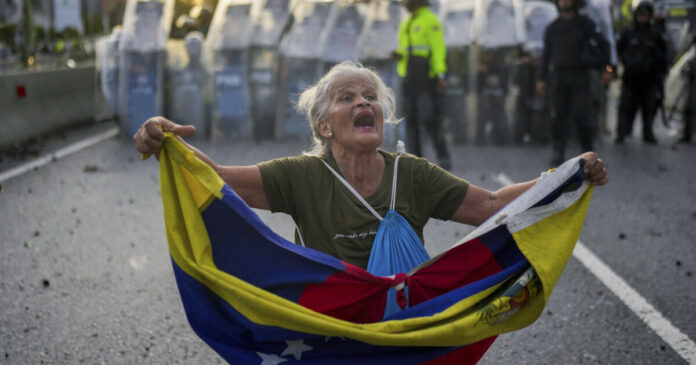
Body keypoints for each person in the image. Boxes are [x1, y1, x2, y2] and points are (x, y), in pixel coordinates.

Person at [134, 61, 608, 269]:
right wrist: (161, 138)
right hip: (330, 327)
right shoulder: (300, 176)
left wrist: (564, 176)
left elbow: (489, 205)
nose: (365, 102)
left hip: (402, 324)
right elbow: (214, 180)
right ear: (323, 126)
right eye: (347, 98)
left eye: (371, 97)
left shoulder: (413, 174)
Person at [537, 0, 610, 165]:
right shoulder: (553, 27)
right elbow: (546, 55)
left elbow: (603, 45)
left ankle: (587, 151)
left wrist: (608, 69)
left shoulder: (586, 24)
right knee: (558, 116)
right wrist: (541, 78)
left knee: (582, 115)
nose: (565, 2)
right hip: (559, 76)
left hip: (580, 76)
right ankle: (558, 149)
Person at [392, 0, 451, 170]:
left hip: (425, 78)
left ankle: (443, 156)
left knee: (429, 119)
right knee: (410, 120)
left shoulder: (430, 21)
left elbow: (438, 49)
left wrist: (440, 74)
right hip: (408, 77)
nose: (402, 3)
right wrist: (399, 56)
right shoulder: (408, 22)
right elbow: (406, 49)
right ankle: (415, 159)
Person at [615, 1, 667, 144]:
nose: (643, 17)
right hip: (630, 78)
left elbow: (664, 54)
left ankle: (647, 133)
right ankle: (621, 133)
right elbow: (617, 51)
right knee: (625, 107)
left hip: (650, 79)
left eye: (646, 14)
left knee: (649, 109)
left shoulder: (656, 33)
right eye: (640, 14)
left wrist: (663, 72)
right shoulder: (627, 32)